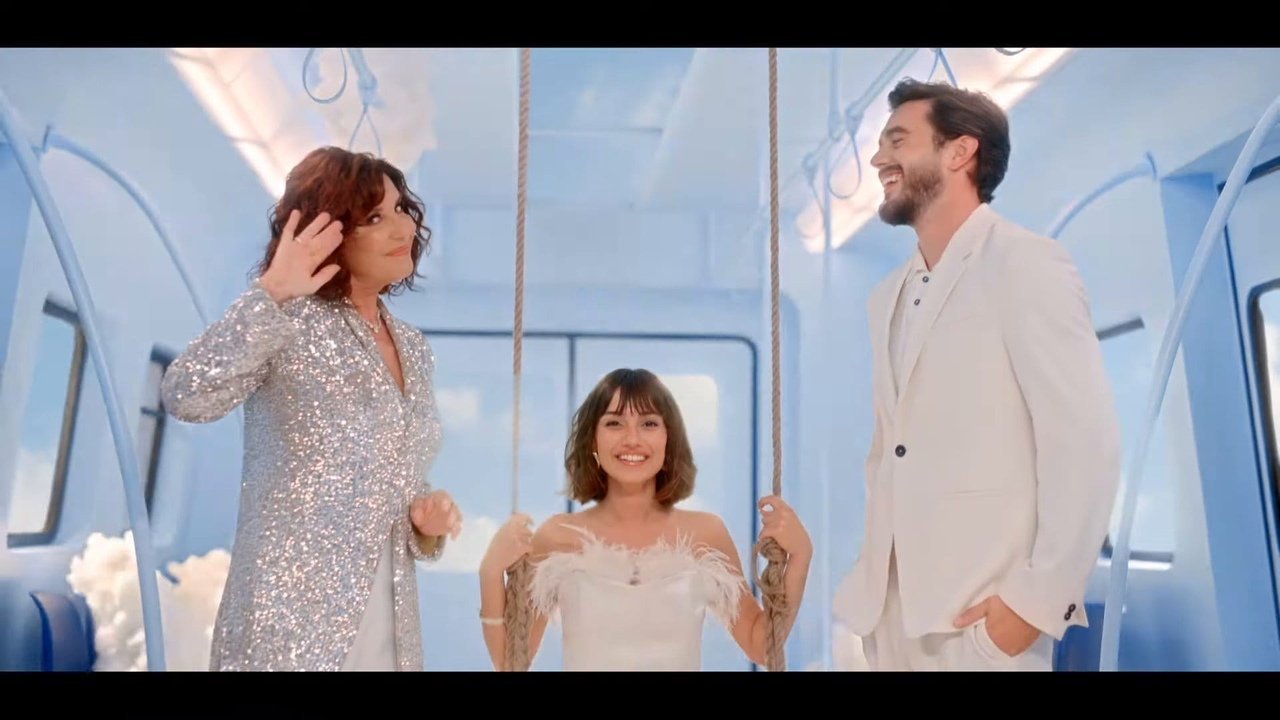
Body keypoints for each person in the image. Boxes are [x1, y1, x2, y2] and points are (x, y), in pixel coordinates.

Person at [834, 78, 1122, 671]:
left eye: (897, 140)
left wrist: (1036, 602)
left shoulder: (1025, 263)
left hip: (981, 619)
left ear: (959, 151)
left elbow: (1083, 441)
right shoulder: (886, 296)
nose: (879, 159)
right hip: (890, 619)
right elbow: (890, 454)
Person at [161, 146, 462, 671]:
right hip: (288, 616)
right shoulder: (289, 319)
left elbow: (395, 477)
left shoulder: (413, 347)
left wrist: (426, 521)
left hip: (389, 613)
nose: (402, 228)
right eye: (374, 218)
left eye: (400, 209)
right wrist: (272, 291)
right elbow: (187, 393)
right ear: (328, 233)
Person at [478, 368, 812, 671]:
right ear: (593, 440)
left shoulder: (706, 533)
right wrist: (490, 572)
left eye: (649, 423)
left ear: (669, 439)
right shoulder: (557, 536)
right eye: (614, 423)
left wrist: (800, 555)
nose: (632, 439)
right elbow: (511, 662)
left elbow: (761, 646)